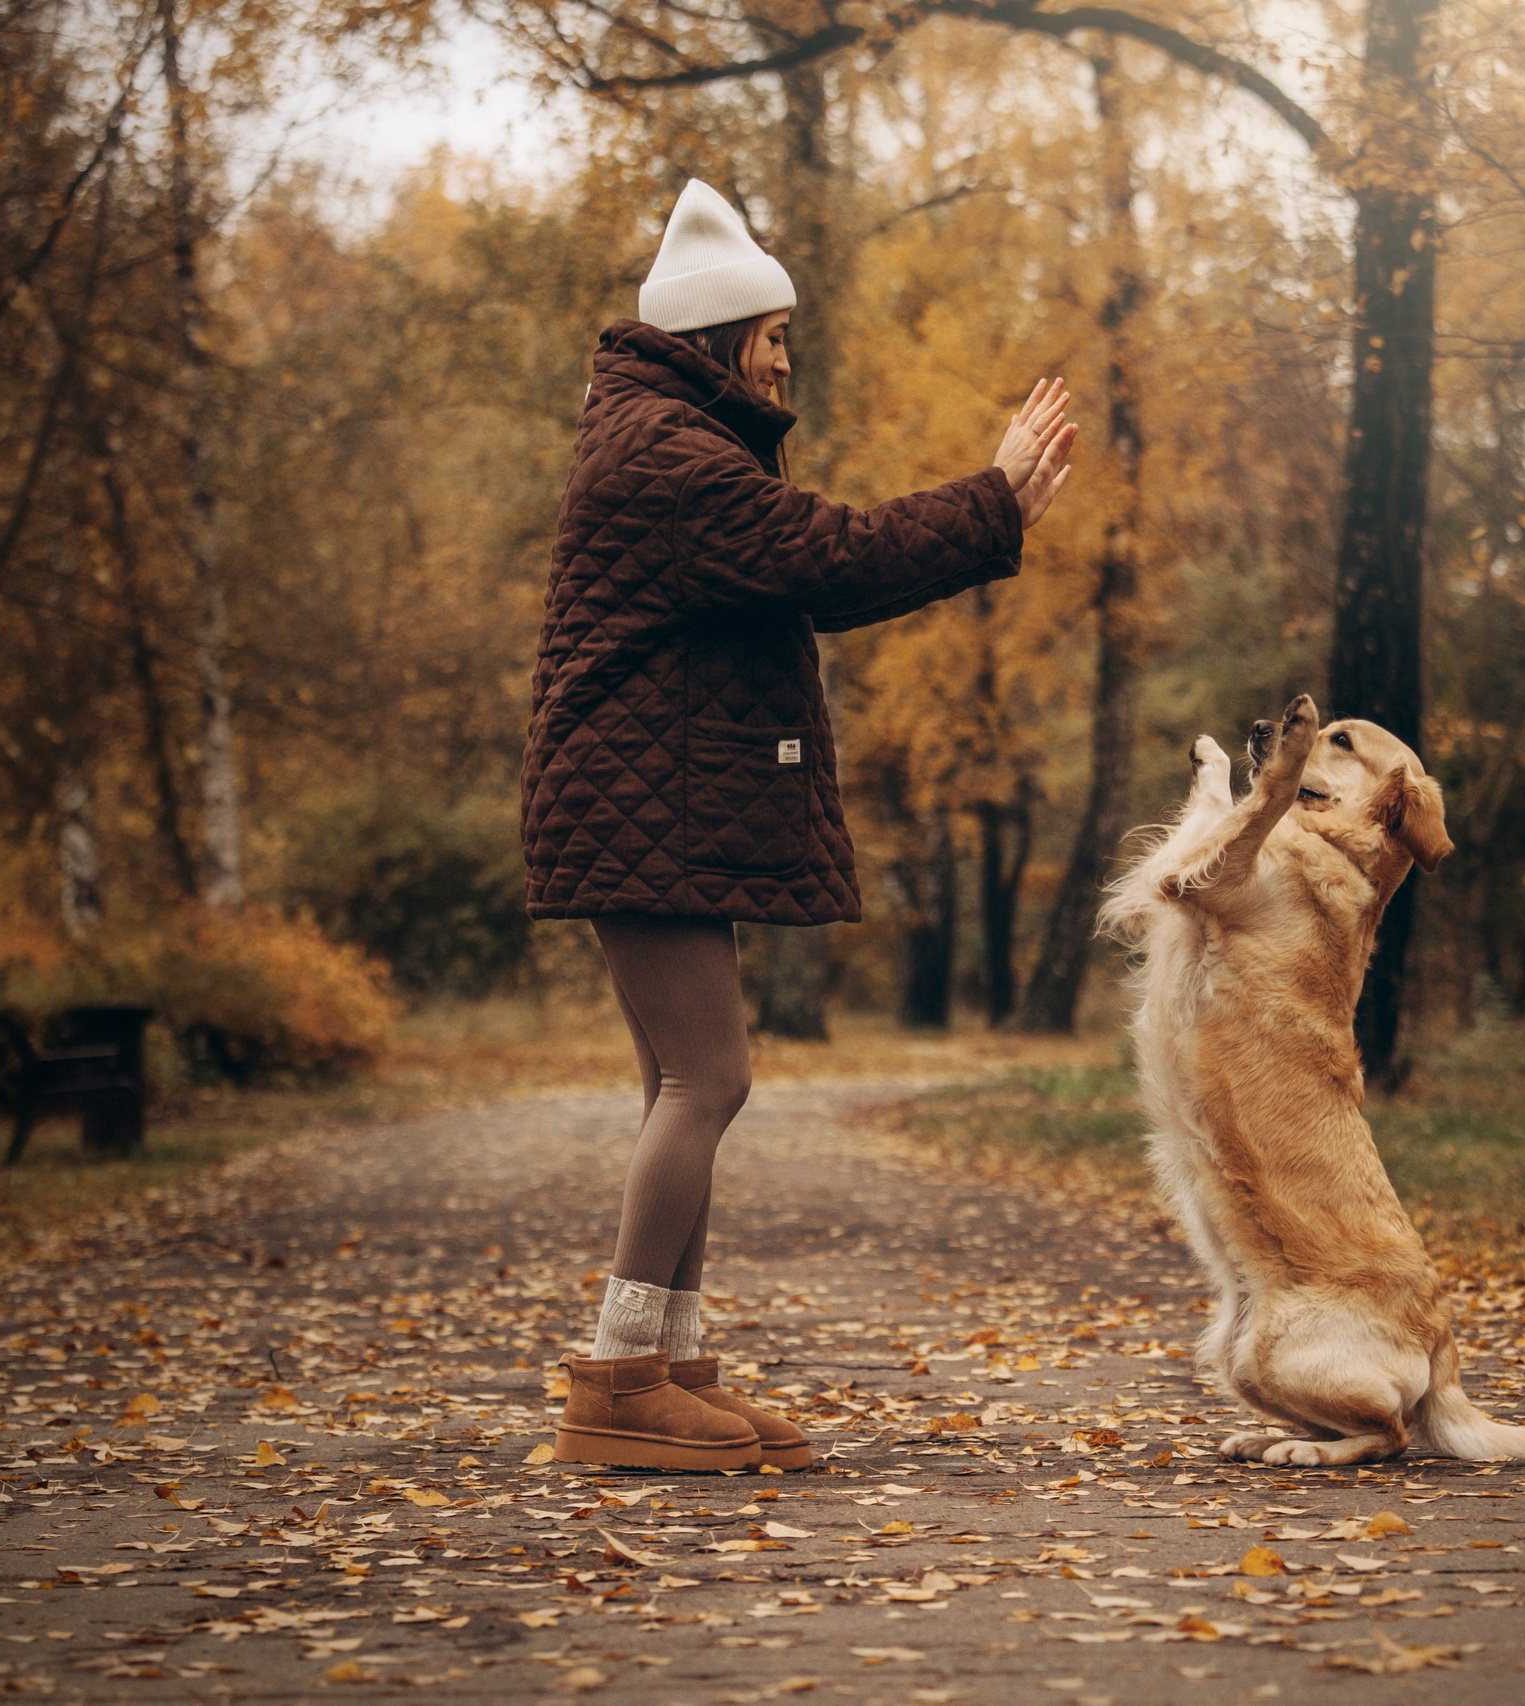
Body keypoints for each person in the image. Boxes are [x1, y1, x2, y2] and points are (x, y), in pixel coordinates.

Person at [521, 180, 1077, 1472]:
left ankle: (667, 1368)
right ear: (719, 335)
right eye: (771, 332)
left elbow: (804, 557)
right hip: (634, 798)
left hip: (644, 795)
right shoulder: (666, 457)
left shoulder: (666, 435)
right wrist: (990, 501)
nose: (785, 355)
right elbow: (828, 558)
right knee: (709, 1078)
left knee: (685, 1081)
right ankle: (616, 1375)